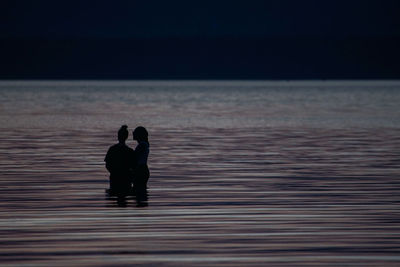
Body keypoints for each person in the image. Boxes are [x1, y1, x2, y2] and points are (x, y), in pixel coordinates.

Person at [104, 125, 134, 201]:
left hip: (114, 178)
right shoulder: (130, 151)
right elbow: (133, 166)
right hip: (126, 178)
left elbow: (107, 165)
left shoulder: (112, 149)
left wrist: (114, 172)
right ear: (126, 137)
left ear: (118, 136)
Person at [132, 126, 150, 207]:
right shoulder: (143, 144)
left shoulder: (142, 145)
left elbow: (134, 157)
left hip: (141, 169)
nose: (133, 133)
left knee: (139, 190)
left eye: (135, 132)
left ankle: (141, 203)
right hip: (142, 169)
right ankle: (141, 202)